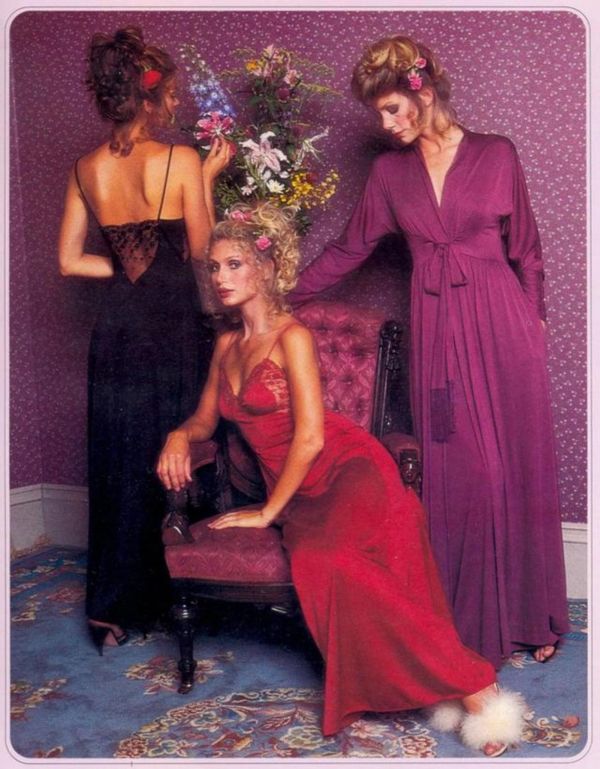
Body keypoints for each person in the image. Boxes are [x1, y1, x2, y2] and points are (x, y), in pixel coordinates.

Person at [157, 201, 527, 755]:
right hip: (295, 489)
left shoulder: (292, 336)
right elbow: (204, 421)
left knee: (332, 559)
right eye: (214, 266)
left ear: (266, 268)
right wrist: (178, 435)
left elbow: (310, 437)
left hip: (346, 469)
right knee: (319, 561)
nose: (220, 277)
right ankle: (449, 682)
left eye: (234, 264)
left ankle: (474, 686)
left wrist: (267, 512)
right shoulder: (227, 344)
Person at [287, 35, 569, 669]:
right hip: (438, 332)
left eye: (392, 109)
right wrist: (282, 296)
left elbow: (527, 251)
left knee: (516, 467)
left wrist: (534, 325)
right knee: (463, 470)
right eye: (379, 115)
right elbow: (348, 249)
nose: (387, 125)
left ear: (424, 90)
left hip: (505, 330)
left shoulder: (497, 154)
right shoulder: (390, 175)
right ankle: (464, 622)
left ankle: (533, 616)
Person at [58, 26, 232, 651]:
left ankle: (111, 611)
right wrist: (207, 178)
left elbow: (69, 261)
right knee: (175, 453)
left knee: (121, 461)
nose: (176, 104)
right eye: (171, 94)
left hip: (116, 333)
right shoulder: (180, 160)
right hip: (173, 328)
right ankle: (180, 595)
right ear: (149, 96)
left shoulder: (85, 168)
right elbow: (205, 255)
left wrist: (127, 268)